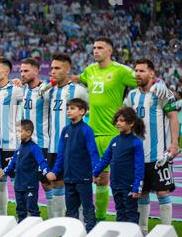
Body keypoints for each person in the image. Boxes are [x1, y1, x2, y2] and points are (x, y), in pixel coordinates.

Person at [73, 37, 170, 221]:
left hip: (112, 133)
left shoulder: (121, 71)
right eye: (94, 47)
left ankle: (117, 218)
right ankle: (96, 219)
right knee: (93, 178)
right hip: (92, 133)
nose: (95, 50)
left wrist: (159, 85)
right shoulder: (90, 70)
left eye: (100, 47)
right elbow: (79, 78)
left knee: (113, 180)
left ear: (110, 51)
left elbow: (144, 80)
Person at [123, 59, 180, 234]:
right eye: (136, 71)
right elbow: (124, 119)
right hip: (138, 156)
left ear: (152, 74)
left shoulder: (162, 93)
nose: (137, 74)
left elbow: (172, 117)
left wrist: (174, 143)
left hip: (158, 156)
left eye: (141, 71)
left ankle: (165, 232)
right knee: (142, 194)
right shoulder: (132, 96)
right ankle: (143, 233)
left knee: (162, 193)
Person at [46, 98, 99, 232]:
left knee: (87, 208)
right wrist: (55, 171)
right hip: (68, 178)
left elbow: (93, 152)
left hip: (83, 178)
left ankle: (91, 234)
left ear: (82, 112)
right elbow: (61, 154)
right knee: (70, 211)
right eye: (68, 108)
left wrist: (96, 171)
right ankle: (72, 235)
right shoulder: (65, 130)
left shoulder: (87, 130)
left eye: (73, 108)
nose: (69, 111)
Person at [46, 53, 89, 218]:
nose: (53, 71)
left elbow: (88, 109)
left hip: (74, 147)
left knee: (74, 184)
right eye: (51, 68)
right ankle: (58, 221)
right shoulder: (49, 90)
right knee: (55, 182)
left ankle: (78, 223)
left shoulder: (78, 90)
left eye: (57, 68)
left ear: (68, 69)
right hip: (53, 145)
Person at [0, 56, 24, 216]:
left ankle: (24, 216)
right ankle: (2, 218)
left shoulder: (16, 91)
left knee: (16, 182)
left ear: (7, 72)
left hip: (11, 143)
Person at [93, 106, 145, 224]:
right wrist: (95, 173)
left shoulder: (136, 142)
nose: (118, 123)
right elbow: (105, 159)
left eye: (121, 120)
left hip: (129, 186)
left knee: (131, 214)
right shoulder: (114, 140)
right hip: (115, 185)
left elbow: (139, 167)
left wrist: (137, 187)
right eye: (117, 120)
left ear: (131, 123)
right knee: (120, 213)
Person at [19, 58, 53, 218]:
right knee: (24, 182)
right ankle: (28, 217)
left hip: (42, 144)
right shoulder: (21, 90)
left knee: (47, 183)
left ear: (37, 71)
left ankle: (55, 219)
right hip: (24, 145)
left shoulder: (46, 90)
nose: (22, 74)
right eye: (21, 71)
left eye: (26, 71)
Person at [3, 120, 49, 223]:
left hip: (30, 186)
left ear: (28, 133)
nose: (17, 134)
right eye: (16, 131)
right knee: (20, 210)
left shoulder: (34, 148)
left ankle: (37, 230)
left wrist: (47, 172)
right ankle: (21, 229)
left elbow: (42, 162)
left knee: (32, 209)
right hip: (18, 186)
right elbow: (12, 164)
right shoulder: (19, 148)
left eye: (20, 131)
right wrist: (4, 171)